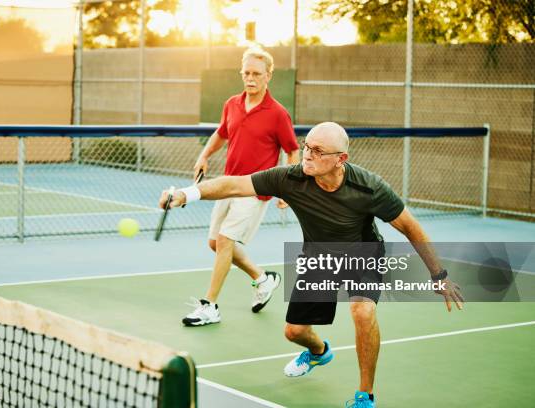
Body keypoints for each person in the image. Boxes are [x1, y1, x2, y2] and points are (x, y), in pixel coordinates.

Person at [160, 122, 464, 407]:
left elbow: (410, 227)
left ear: (340, 158)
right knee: (293, 332)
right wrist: (187, 194)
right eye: (307, 146)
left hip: (363, 253)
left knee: (362, 310)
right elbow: (234, 185)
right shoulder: (291, 178)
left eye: (318, 151)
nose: (308, 154)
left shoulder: (370, 187)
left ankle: (365, 395)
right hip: (318, 256)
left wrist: (438, 274)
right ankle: (319, 352)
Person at [183, 47, 300, 327]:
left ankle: (209, 306)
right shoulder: (232, 103)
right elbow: (222, 132)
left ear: (268, 76)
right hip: (227, 184)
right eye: (246, 73)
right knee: (215, 243)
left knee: (225, 241)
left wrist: (286, 189)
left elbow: (292, 151)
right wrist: (204, 155)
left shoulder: (278, 114)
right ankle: (263, 278)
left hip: (255, 189)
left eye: (256, 74)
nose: (250, 78)